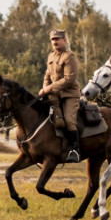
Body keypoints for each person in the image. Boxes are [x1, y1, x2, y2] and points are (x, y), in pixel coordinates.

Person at [37, 29, 81, 163]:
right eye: (53, 39)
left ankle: (75, 150)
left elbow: (69, 79)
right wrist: (44, 88)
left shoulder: (69, 57)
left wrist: (50, 87)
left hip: (70, 95)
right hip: (55, 95)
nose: (55, 41)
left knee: (68, 120)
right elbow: (47, 75)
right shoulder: (51, 56)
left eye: (58, 39)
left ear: (64, 40)